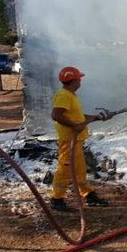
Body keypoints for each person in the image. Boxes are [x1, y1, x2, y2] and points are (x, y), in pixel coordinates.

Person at [50, 66, 111, 211]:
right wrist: (73, 126)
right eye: (79, 79)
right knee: (64, 169)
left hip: (75, 140)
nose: (80, 81)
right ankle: (56, 199)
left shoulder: (71, 95)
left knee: (79, 170)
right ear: (74, 80)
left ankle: (88, 195)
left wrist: (96, 117)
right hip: (68, 140)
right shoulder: (63, 95)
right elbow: (56, 115)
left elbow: (79, 118)